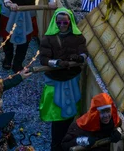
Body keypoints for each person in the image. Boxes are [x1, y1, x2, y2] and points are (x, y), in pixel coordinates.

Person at [39, 8, 88, 151]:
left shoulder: (78, 37)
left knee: (70, 112)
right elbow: (43, 59)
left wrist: (80, 58)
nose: (61, 25)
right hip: (55, 82)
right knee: (57, 114)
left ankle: (64, 144)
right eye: (59, 22)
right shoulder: (48, 38)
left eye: (64, 22)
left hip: (71, 80)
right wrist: (56, 63)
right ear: (55, 22)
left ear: (70, 22)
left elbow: (84, 53)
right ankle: (55, 146)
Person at [2, 0, 57, 72]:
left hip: (28, 11)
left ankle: (17, 63)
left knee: (26, 38)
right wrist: (8, 1)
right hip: (12, 11)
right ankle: (8, 59)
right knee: (7, 37)